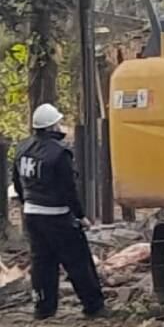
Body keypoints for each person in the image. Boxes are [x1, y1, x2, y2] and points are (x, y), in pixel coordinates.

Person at [11, 103, 108, 321]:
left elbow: (17, 182)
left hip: (32, 215)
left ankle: (43, 308)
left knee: (42, 262)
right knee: (78, 261)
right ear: (52, 126)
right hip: (57, 216)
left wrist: (25, 202)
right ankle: (93, 306)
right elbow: (68, 190)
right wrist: (80, 216)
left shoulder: (22, 148)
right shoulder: (59, 153)